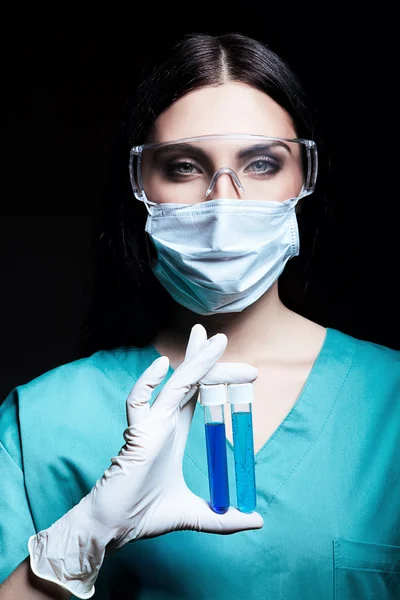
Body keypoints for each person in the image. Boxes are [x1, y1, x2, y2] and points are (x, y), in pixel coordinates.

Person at [0, 30, 399, 600]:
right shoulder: (45, 421)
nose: (223, 202)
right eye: (185, 166)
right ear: (140, 187)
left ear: (304, 181)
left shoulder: (388, 402)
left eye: (262, 164)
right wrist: (78, 545)